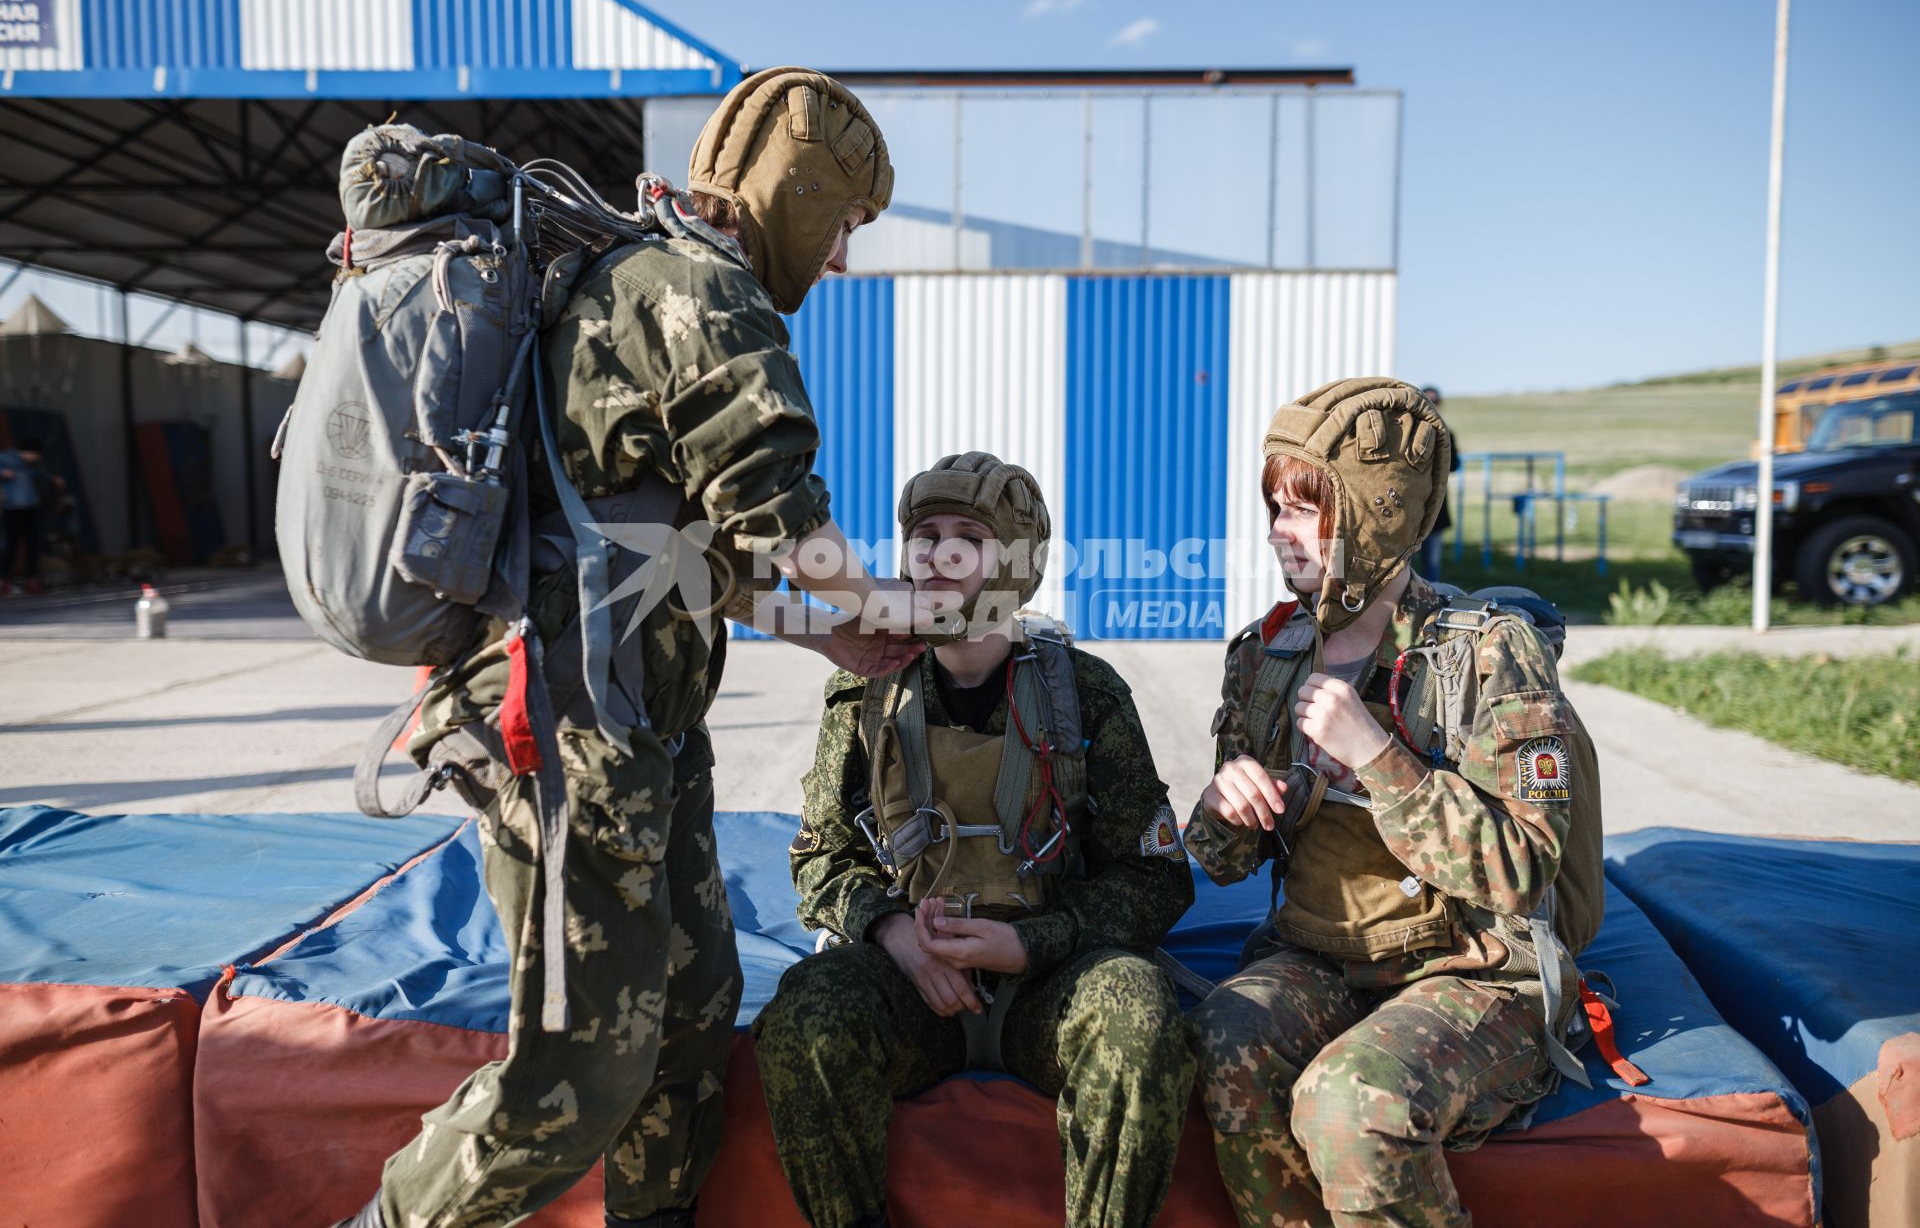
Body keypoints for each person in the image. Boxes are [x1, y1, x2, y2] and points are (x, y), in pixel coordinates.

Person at [332, 69, 927, 1228]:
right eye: (844, 223)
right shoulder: (703, 289)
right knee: (577, 1079)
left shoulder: (644, 277)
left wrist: (841, 642)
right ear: (798, 190)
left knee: (692, 1023)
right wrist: (908, 606)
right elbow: (789, 529)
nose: (844, 257)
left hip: (639, 733)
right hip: (564, 737)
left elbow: (686, 555)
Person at [1186, 378, 1604, 1227]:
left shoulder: (1489, 655)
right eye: (1274, 506)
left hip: (1471, 968)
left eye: (1305, 509)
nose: (1278, 531)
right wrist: (1223, 807)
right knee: (1226, 1034)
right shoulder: (1270, 656)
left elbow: (1522, 871)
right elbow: (1227, 861)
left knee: (1352, 1102)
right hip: (1319, 955)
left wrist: (1377, 756)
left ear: (1374, 513)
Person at [753, 452, 1199, 1228]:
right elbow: (822, 855)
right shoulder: (864, 690)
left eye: (969, 537)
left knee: (1139, 1012)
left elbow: (1156, 876)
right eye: (924, 534)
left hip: (1049, 983)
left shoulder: (1084, 693)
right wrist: (892, 932)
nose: (939, 553)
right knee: (807, 1013)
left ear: (1016, 563)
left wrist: (1034, 944)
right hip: (916, 986)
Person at [1415, 386, 1460, 583]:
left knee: (1431, 566)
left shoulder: (1446, 433)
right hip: (1411, 506)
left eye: (1435, 401)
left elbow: (1454, 465)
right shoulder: (1408, 432)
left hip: (1434, 507)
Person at [0, 435, 46, 594]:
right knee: (11, 543)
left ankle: (32, 578)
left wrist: (53, 479)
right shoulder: (5, 458)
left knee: (33, 542)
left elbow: (39, 475)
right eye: (34, 454)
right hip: (12, 507)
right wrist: (3, 473)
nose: (35, 458)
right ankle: (4, 579)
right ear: (26, 452)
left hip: (30, 506)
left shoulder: (31, 465)